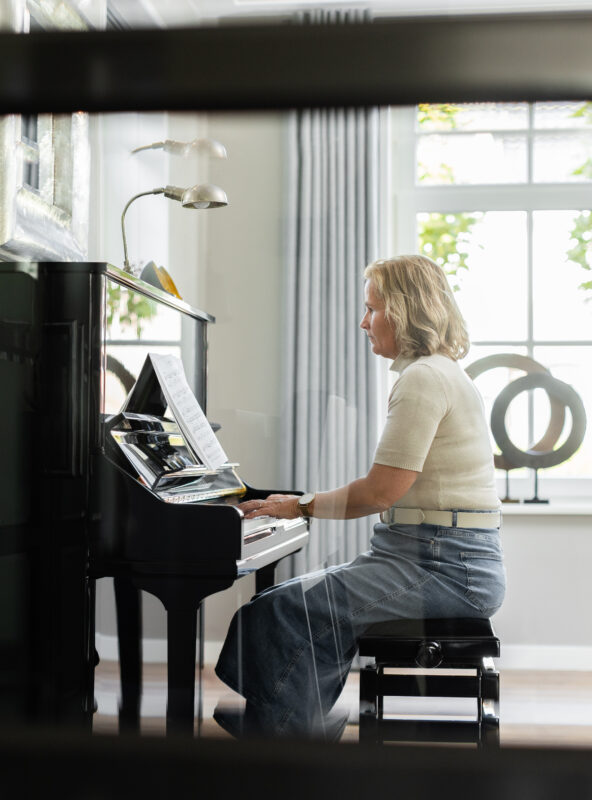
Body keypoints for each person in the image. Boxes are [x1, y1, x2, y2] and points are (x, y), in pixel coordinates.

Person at [214, 254, 506, 739]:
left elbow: (379, 492)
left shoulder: (424, 379)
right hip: (439, 558)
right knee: (285, 603)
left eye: (372, 309)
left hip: (446, 567)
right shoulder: (440, 373)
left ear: (405, 310)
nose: (363, 322)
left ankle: (283, 740)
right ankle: (296, 721)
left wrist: (297, 505)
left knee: (284, 610)